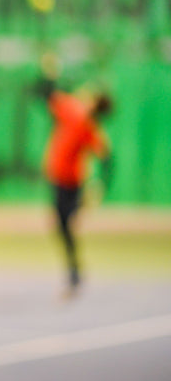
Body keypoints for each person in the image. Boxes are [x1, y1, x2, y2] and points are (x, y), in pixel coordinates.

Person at [38, 54, 112, 297]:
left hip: (70, 182)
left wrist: (50, 73)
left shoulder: (80, 117)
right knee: (62, 225)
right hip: (60, 178)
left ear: (93, 104)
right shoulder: (79, 116)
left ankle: (74, 273)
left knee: (65, 224)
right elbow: (108, 158)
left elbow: (47, 93)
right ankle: (74, 272)